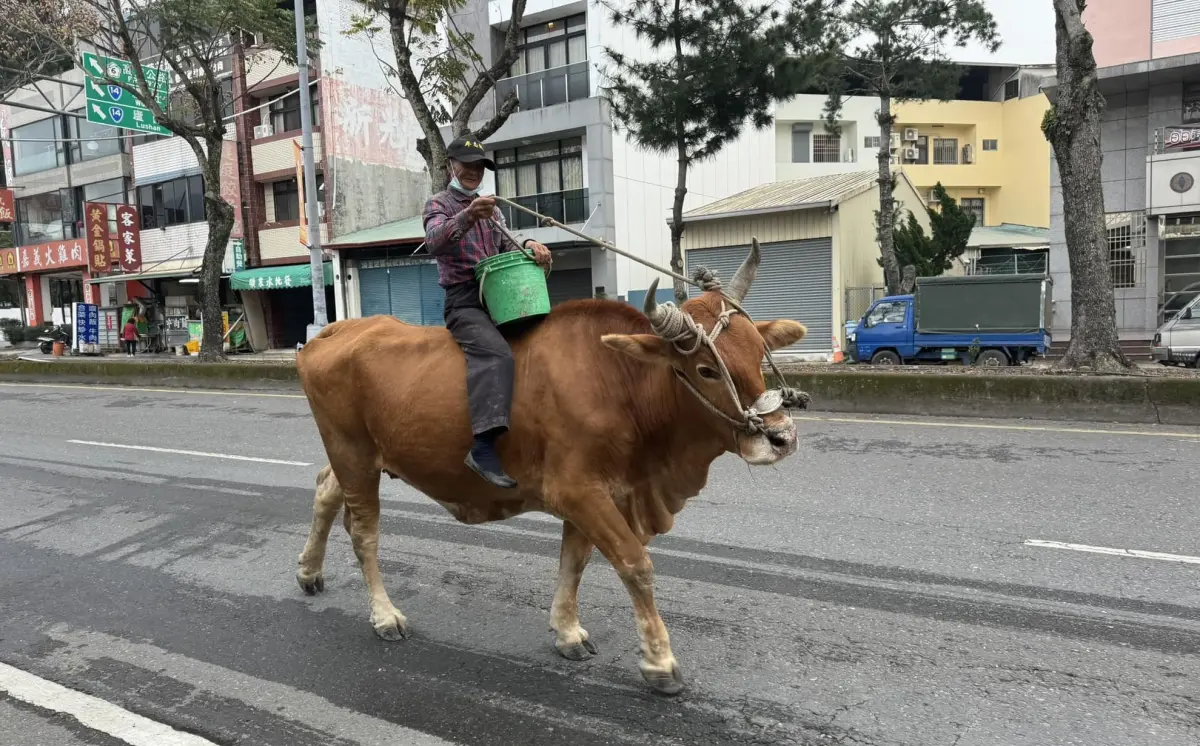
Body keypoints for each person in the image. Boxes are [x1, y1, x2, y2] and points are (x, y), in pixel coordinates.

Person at [423, 135, 552, 490]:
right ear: (451, 165)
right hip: (463, 301)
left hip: (499, 296)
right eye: (466, 164)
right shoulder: (439, 204)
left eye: (479, 166)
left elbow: (507, 242)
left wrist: (530, 245)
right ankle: (481, 448)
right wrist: (466, 215)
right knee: (497, 355)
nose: (473, 171)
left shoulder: (493, 210)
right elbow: (434, 242)